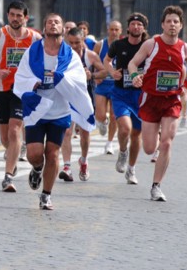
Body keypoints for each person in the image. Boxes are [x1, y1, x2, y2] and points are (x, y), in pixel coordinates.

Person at [14, 13, 95, 209]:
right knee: (34, 154)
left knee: (52, 153)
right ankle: (36, 168)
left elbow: (78, 81)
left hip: (60, 111)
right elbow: (21, 75)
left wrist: (61, 79)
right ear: (44, 27)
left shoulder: (70, 55)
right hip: (37, 111)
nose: (53, 24)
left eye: (57, 22)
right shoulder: (33, 51)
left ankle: (46, 195)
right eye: (49, 21)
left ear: (62, 29)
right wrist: (34, 83)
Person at [128, 5, 187, 202]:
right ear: (162, 24)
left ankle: (156, 186)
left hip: (171, 99)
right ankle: (156, 138)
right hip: (150, 99)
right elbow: (133, 63)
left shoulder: (186, 48)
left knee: (167, 143)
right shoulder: (151, 44)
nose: (172, 25)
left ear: (181, 26)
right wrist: (135, 75)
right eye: (168, 21)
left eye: (176, 22)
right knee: (150, 148)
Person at [0, 1, 42, 193]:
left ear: (25, 17)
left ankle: (8, 177)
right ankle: (13, 156)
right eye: (12, 15)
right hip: (2, 88)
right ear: (8, 15)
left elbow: (43, 60)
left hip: (23, 89)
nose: (15, 18)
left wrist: (38, 78)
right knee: (5, 136)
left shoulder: (35, 38)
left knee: (16, 128)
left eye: (19, 15)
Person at [104, 13, 149, 185]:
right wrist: (111, 71)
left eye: (139, 24)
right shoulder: (118, 44)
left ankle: (131, 169)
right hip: (121, 93)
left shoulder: (148, 46)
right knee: (125, 129)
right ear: (128, 27)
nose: (136, 27)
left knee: (137, 134)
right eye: (133, 24)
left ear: (143, 28)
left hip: (140, 95)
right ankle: (123, 152)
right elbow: (107, 60)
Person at [59, 27, 106, 182]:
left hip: (84, 98)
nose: (73, 46)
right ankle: (66, 166)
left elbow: (105, 72)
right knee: (66, 132)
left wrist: (91, 75)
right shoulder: (61, 54)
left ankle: (84, 161)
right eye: (70, 42)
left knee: (85, 134)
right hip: (66, 96)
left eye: (77, 43)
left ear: (83, 40)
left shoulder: (90, 55)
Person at [94, 20, 122, 154]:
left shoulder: (123, 46)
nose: (114, 32)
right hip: (103, 84)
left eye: (117, 29)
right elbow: (93, 60)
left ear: (121, 31)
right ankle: (102, 122)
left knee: (114, 115)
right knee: (99, 114)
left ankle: (109, 143)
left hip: (116, 85)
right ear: (108, 30)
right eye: (112, 29)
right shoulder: (100, 45)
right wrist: (96, 75)